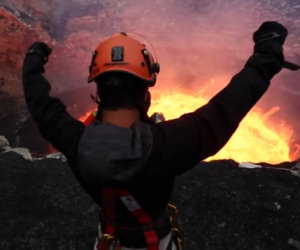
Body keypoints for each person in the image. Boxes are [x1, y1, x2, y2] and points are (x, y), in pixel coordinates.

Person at [22, 21, 288, 250]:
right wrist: (267, 56)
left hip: (108, 238)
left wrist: (34, 58)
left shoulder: (74, 141)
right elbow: (226, 108)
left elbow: (42, 105)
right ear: (146, 91)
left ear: (99, 91)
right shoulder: (168, 146)